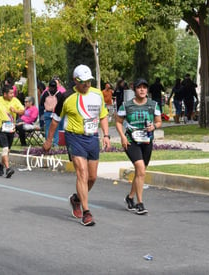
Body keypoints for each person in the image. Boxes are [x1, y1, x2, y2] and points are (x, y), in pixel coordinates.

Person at [43, 64, 110, 226]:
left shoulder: (97, 94)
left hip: (92, 137)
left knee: (92, 177)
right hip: (74, 137)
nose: (86, 85)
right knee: (82, 172)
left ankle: (76, 199)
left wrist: (106, 135)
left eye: (89, 81)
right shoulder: (66, 97)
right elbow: (55, 121)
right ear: (75, 81)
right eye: (83, 82)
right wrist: (49, 140)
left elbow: (103, 115)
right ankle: (87, 212)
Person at [116, 78, 162, 215]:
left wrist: (154, 126)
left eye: (144, 87)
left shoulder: (153, 105)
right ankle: (139, 203)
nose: (142, 90)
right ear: (134, 90)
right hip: (131, 141)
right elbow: (118, 122)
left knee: (140, 172)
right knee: (141, 169)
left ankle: (130, 197)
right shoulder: (127, 105)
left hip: (147, 141)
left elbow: (159, 122)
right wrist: (123, 137)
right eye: (139, 87)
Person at [0, 84, 24, 178]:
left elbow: (23, 111)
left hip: (11, 128)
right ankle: (8, 169)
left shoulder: (15, 101)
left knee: (7, 150)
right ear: (4, 94)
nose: (12, 95)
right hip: (1, 128)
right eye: (10, 93)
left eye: (13, 93)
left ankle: (1, 165)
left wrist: (16, 111)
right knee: (5, 148)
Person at [41, 80, 62, 147]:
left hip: (47, 112)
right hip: (56, 113)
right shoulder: (59, 94)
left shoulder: (45, 94)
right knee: (55, 128)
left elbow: (41, 103)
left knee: (47, 128)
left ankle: (48, 143)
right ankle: (55, 144)